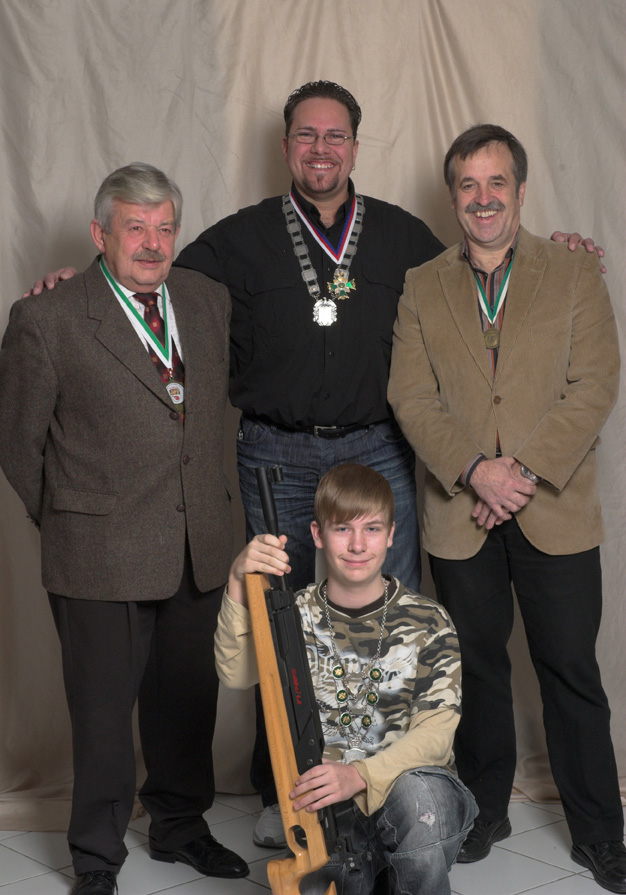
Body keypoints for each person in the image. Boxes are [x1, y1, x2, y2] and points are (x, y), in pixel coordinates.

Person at [25, 81, 601, 846]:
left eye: (335, 136)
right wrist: (74, 285)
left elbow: (482, 271)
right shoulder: (237, 240)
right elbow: (144, 283)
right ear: (286, 146)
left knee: (385, 622)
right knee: (285, 627)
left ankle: (393, 791)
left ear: (356, 147)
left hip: (379, 449)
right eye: (306, 135)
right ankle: (287, 792)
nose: (320, 149)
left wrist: (563, 250)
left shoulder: (402, 237)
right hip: (274, 452)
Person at [388, 124, 625, 894]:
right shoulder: (422, 284)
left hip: (554, 506)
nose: (483, 198)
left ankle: (600, 832)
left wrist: (518, 472)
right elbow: (410, 395)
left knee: (571, 670)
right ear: (453, 195)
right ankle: (484, 811)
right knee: (476, 671)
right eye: (468, 184)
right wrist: (474, 470)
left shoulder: (574, 270)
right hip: (461, 514)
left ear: (521, 190)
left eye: (497, 183)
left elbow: (595, 382)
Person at [0, 163, 248, 895]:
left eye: (164, 227)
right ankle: (96, 857)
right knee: (103, 715)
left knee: (187, 702)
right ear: (99, 234)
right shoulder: (48, 317)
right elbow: (17, 444)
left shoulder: (206, 300)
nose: (151, 242)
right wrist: (72, 515)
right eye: (134, 227)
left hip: (197, 543)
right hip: (97, 551)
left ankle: (180, 827)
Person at [215, 462, 478, 895]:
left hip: (415, 805)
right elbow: (235, 673)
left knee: (419, 799)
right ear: (317, 535)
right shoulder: (291, 616)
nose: (357, 545)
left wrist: (358, 775)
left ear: (391, 534)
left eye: (372, 529)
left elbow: (436, 735)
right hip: (329, 814)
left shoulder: (429, 620)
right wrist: (237, 583)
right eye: (342, 529)